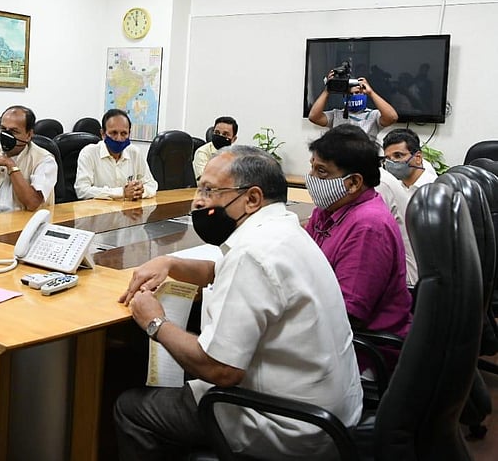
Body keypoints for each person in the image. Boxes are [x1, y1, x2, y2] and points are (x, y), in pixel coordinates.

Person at [115, 146, 362, 460]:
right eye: (199, 188)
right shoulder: (283, 230)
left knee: (132, 407)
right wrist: (171, 263)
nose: (198, 201)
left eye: (210, 190)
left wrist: (155, 322)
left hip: (288, 424)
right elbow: (223, 269)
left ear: (252, 199)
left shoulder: (252, 254)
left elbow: (219, 370)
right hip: (328, 413)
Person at [305, 124, 413, 341]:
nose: (311, 177)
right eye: (312, 167)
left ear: (354, 182)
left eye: (321, 171)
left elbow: (348, 313)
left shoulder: (369, 227)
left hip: (364, 347)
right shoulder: (328, 209)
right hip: (325, 326)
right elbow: (300, 260)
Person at [375, 128, 438, 286]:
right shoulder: (397, 185)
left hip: (418, 276)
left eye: (398, 156)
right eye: (387, 158)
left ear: (417, 158)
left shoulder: (432, 191)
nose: (392, 163)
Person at [74, 108, 157, 201]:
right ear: (103, 134)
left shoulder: (135, 152)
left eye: (124, 133)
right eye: (113, 133)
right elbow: (82, 191)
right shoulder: (89, 153)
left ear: (129, 133)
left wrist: (140, 191)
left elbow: (152, 185)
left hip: (129, 212)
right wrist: (121, 193)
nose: (119, 138)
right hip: (99, 212)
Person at [308, 71, 398, 140]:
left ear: (364, 94)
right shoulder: (336, 114)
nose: (354, 96)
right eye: (350, 94)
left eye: (358, 93)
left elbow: (392, 117)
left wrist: (371, 93)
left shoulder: (373, 115)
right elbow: (314, 117)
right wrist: (328, 90)